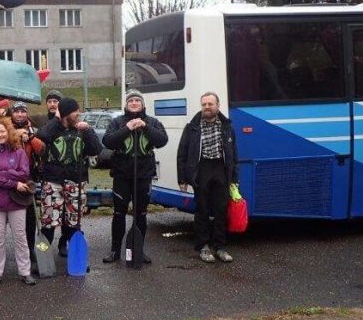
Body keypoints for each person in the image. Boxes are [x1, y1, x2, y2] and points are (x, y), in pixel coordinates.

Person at [101, 90, 168, 264]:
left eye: (138, 100)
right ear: (125, 105)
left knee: (141, 214)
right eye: (131, 100)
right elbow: (108, 141)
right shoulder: (117, 122)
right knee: (119, 213)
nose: (134, 102)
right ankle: (115, 251)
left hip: (143, 175)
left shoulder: (152, 122)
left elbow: (162, 140)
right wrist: (128, 128)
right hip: (122, 175)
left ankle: (139, 249)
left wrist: (145, 127)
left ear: (143, 105)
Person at [35, 96, 103, 257]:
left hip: (76, 181)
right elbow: (41, 135)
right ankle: (42, 255)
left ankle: (67, 248)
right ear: (66, 113)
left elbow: (96, 149)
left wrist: (88, 131)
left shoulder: (82, 129)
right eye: (74, 112)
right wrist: (57, 119)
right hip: (53, 182)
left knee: (73, 221)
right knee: (48, 222)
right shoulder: (52, 128)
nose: (78, 114)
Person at [177, 92, 238, 263]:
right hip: (201, 169)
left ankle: (219, 247)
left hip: (221, 168)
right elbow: (182, 153)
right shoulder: (192, 127)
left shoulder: (227, 126)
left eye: (210, 104)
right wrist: (182, 178)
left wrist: (234, 179)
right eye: (204, 104)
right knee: (202, 209)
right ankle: (203, 247)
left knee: (221, 210)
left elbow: (234, 155)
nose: (207, 107)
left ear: (218, 106)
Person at [0, 119, 36, 286]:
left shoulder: (19, 152)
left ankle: (25, 271)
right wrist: (13, 182)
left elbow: (24, 173)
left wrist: (3, 174)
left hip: (17, 203)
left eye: (2, 131)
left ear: (9, 132)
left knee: (20, 238)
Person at [9, 101, 45, 269]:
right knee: (12, 218)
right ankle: (17, 251)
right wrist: (15, 135)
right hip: (10, 178)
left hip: (28, 178)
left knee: (30, 218)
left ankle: (30, 249)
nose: (20, 115)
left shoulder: (34, 130)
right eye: (17, 112)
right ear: (12, 114)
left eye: (23, 112)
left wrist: (30, 138)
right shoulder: (6, 129)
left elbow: (42, 150)